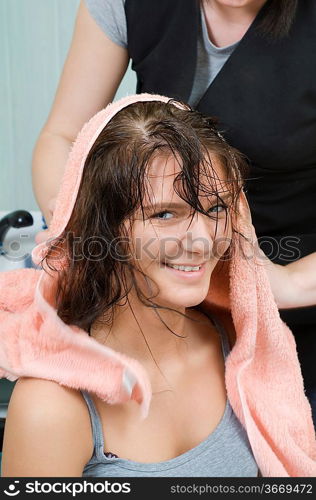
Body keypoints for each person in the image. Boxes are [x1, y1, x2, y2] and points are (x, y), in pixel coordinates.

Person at [31, 0, 316, 424]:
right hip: (151, 302)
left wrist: (289, 283)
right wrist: (84, 222)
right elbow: (62, 134)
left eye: (216, 207)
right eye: (165, 213)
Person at [2, 96, 315, 477]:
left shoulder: (240, 349)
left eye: (216, 209)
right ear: (101, 229)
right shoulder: (51, 407)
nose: (202, 240)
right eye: (165, 213)